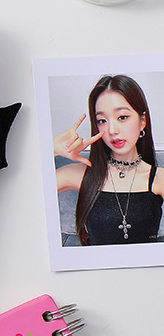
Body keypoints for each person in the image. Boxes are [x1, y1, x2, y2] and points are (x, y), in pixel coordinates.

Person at [55, 74, 164, 245]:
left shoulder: (159, 179)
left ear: (142, 121)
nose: (112, 130)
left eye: (122, 117)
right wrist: (53, 149)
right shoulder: (81, 174)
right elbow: (26, 195)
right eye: (102, 120)